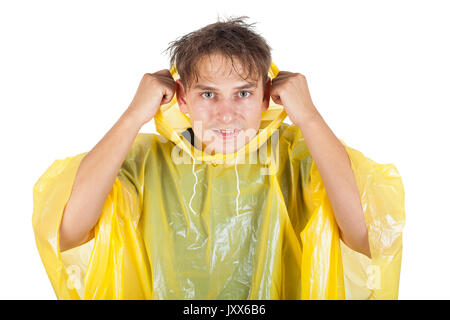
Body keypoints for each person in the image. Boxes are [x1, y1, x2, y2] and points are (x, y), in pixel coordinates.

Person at [32, 16, 405, 299]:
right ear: (182, 98)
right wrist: (133, 116)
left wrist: (308, 116)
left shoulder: (300, 157)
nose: (226, 115)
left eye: (242, 93)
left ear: (266, 96)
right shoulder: (140, 163)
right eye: (208, 94)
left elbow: (365, 237)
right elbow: (68, 233)